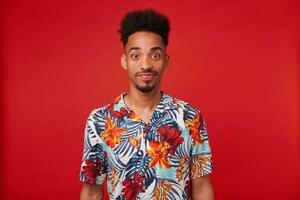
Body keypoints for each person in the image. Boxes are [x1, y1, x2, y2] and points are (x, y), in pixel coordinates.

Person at [79, 9, 214, 200]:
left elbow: (201, 189)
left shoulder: (190, 117)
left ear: (166, 60)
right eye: (136, 56)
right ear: (124, 61)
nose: (146, 65)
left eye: (155, 55)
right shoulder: (100, 121)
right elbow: (92, 193)